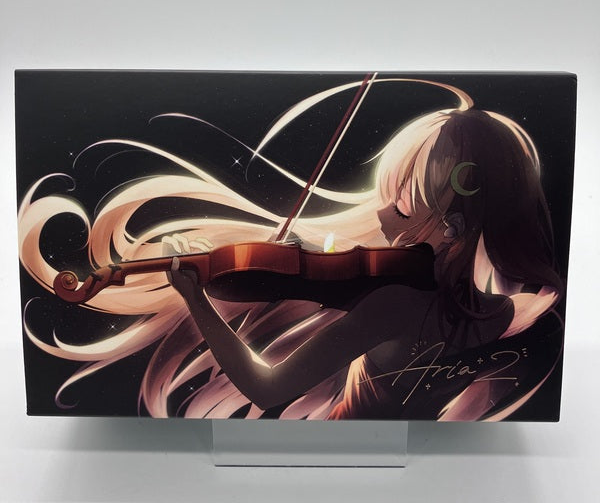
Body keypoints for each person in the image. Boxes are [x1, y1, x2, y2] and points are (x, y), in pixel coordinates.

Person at [18, 78, 563, 420]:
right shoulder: (506, 313)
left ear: (452, 219)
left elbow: (267, 387)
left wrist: (195, 298)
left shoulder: (395, 303)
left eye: (401, 202)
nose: (380, 214)